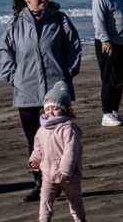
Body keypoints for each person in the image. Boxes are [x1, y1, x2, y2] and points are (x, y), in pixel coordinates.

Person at [0, 0, 83, 202]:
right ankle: (40, 184)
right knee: (35, 142)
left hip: (55, 93)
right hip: (26, 92)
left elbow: (74, 46)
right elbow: (3, 51)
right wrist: (13, 77)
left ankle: (62, 181)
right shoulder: (15, 23)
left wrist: (69, 72)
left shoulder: (59, 19)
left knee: (59, 140)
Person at [29, 81, 86, 222]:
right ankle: (44, 219)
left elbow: (71, 152)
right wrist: (35, 160)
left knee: (75, 201)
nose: (51, 112)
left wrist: (65, 171)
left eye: (56, 108)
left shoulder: (68, 128)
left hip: (68, 176)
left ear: (65, 109)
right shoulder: (42, 130)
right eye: (48, 109)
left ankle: (80, 219)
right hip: (48, 173)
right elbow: (38, 147)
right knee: (45, 201)